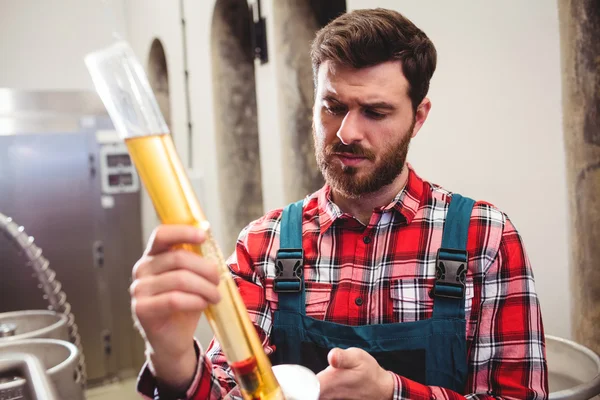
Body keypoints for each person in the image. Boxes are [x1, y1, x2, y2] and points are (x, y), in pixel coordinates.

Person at [133, 8, 548, 400]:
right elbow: (231, 389)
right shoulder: (264, 245)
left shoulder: (486, 240)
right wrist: (172, 359)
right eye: (332, 107)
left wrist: (391, 391)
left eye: (375, 111)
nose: (347, 132)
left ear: (418, 118)